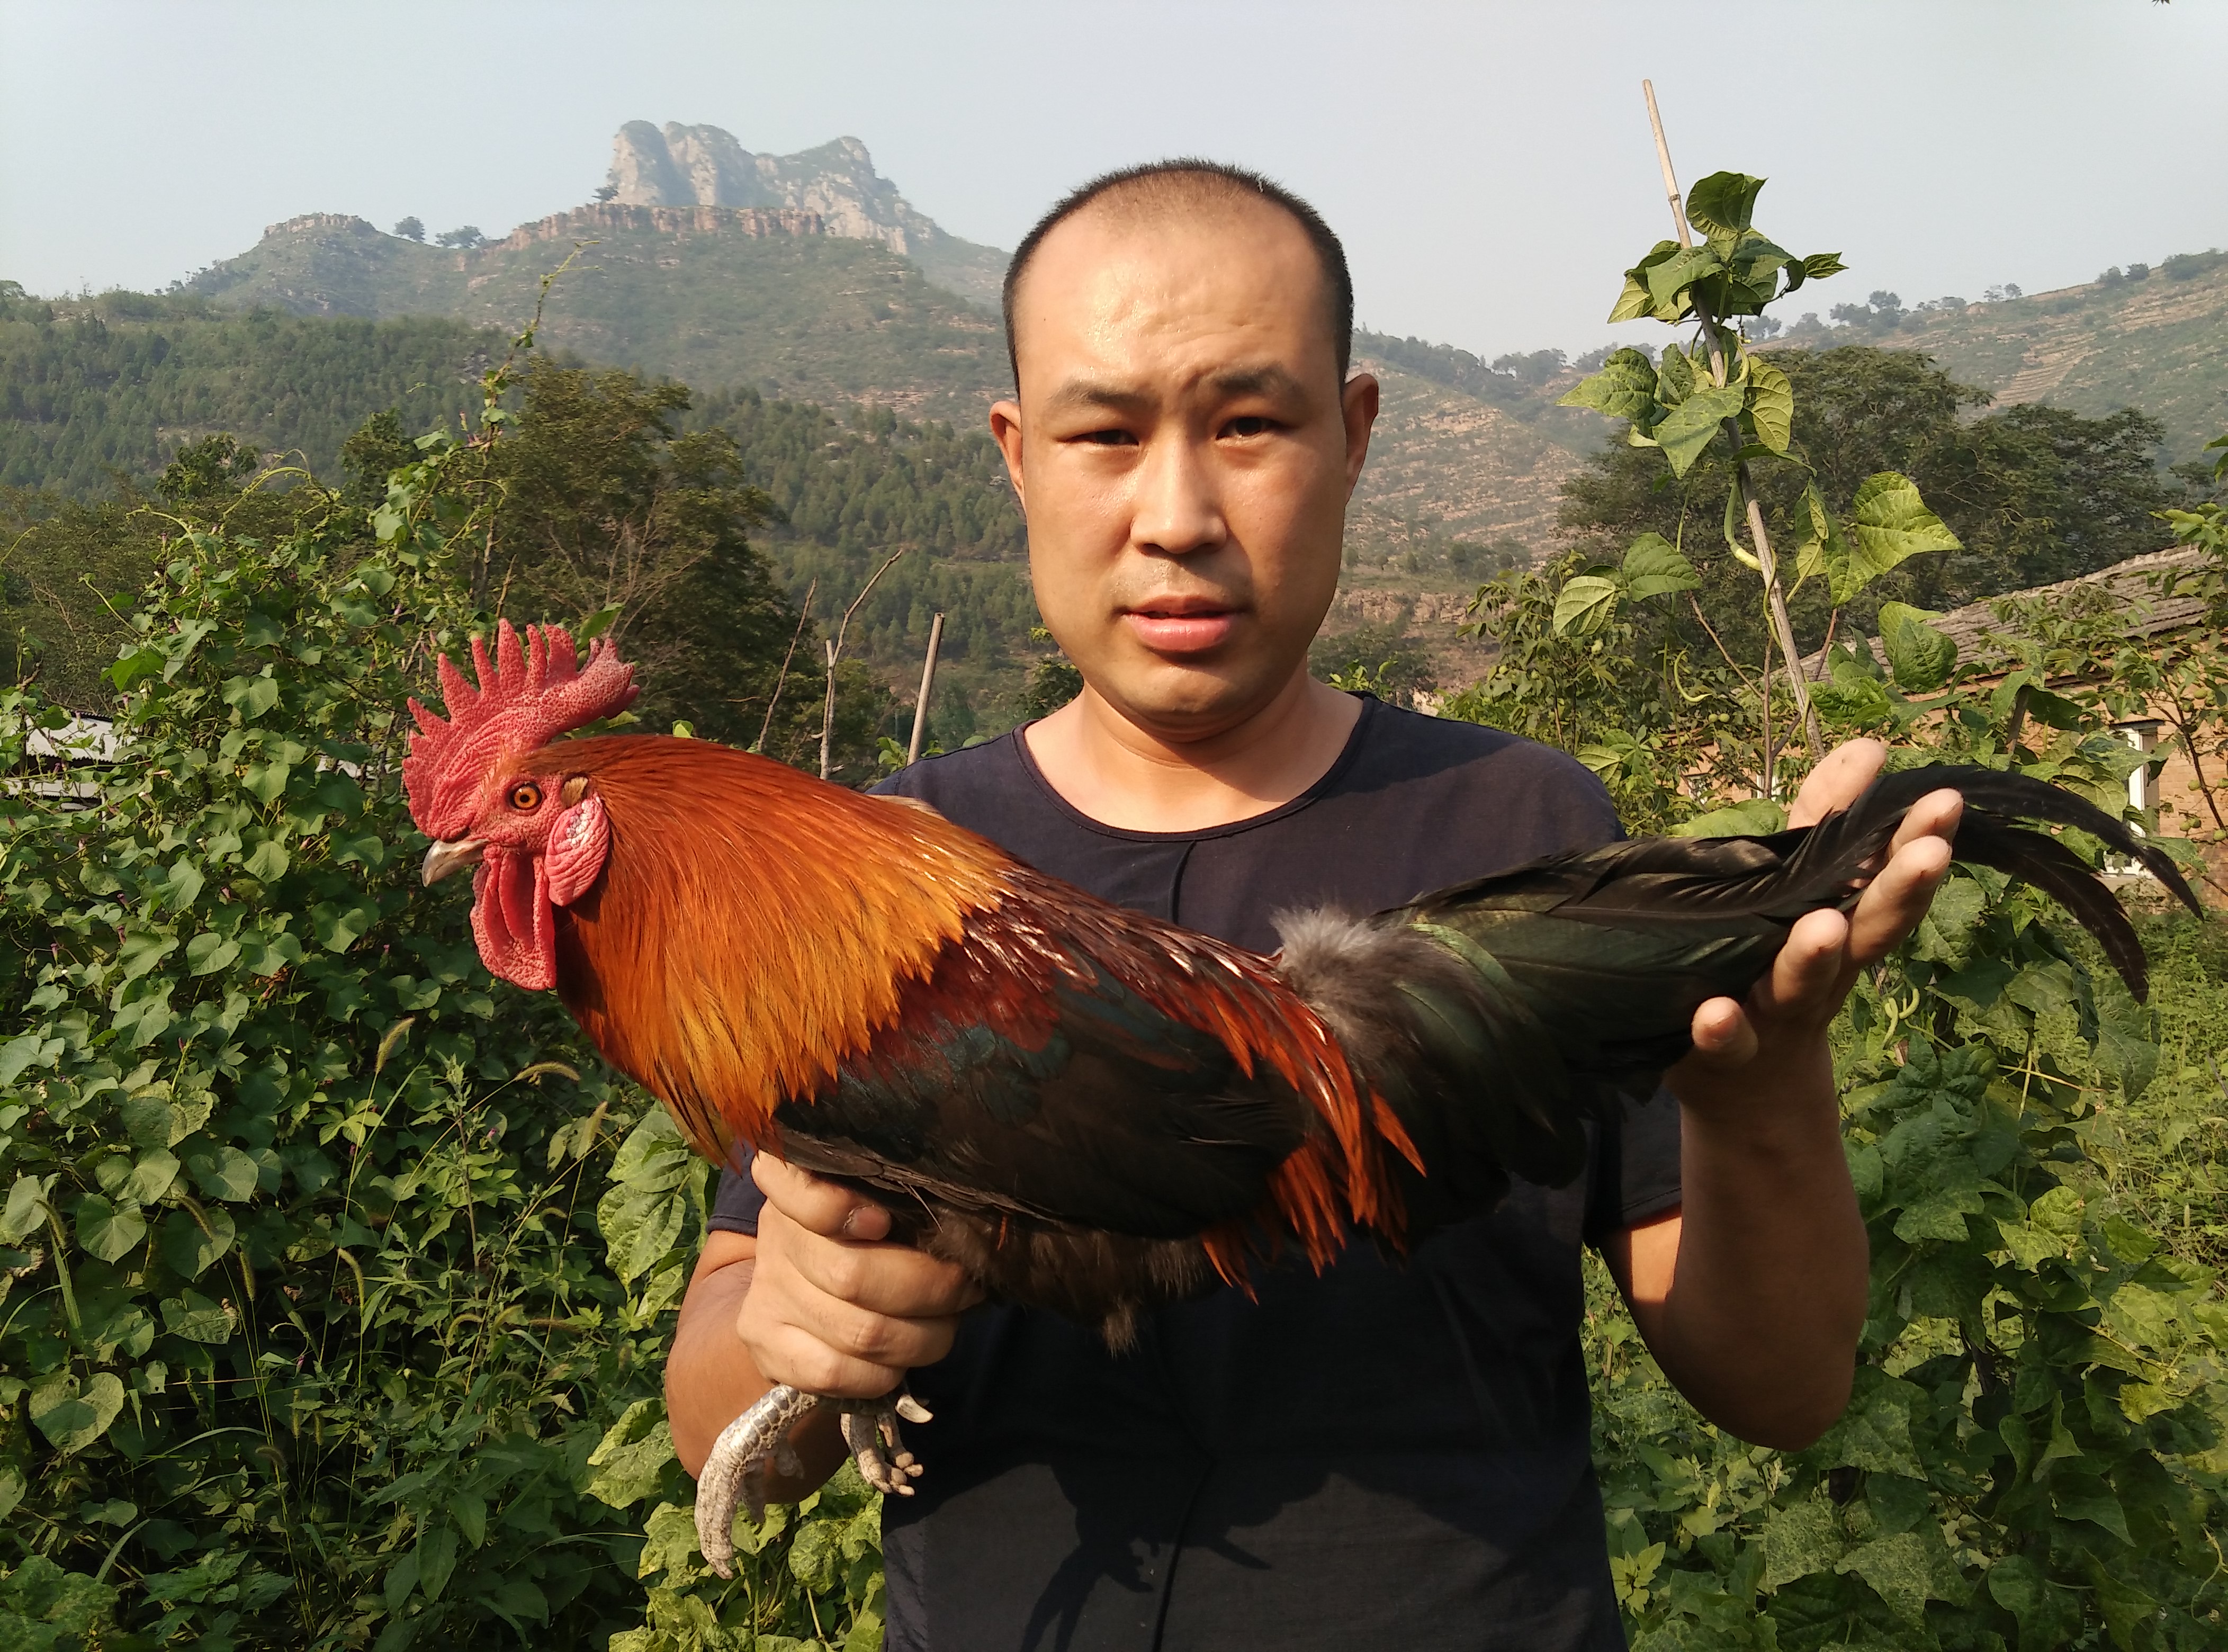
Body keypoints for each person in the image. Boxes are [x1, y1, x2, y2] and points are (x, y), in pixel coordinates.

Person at [664, 160, 1959, 1651]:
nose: (1178, 515)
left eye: (1249, 425)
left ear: (1353, 438)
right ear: (1016, 457)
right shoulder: (883, 869)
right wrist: (791, 1340)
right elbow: (722, 1401)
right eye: (1104, 432)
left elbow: (1784, 1390)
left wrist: (1766, 1076)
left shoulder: (1522, 823)